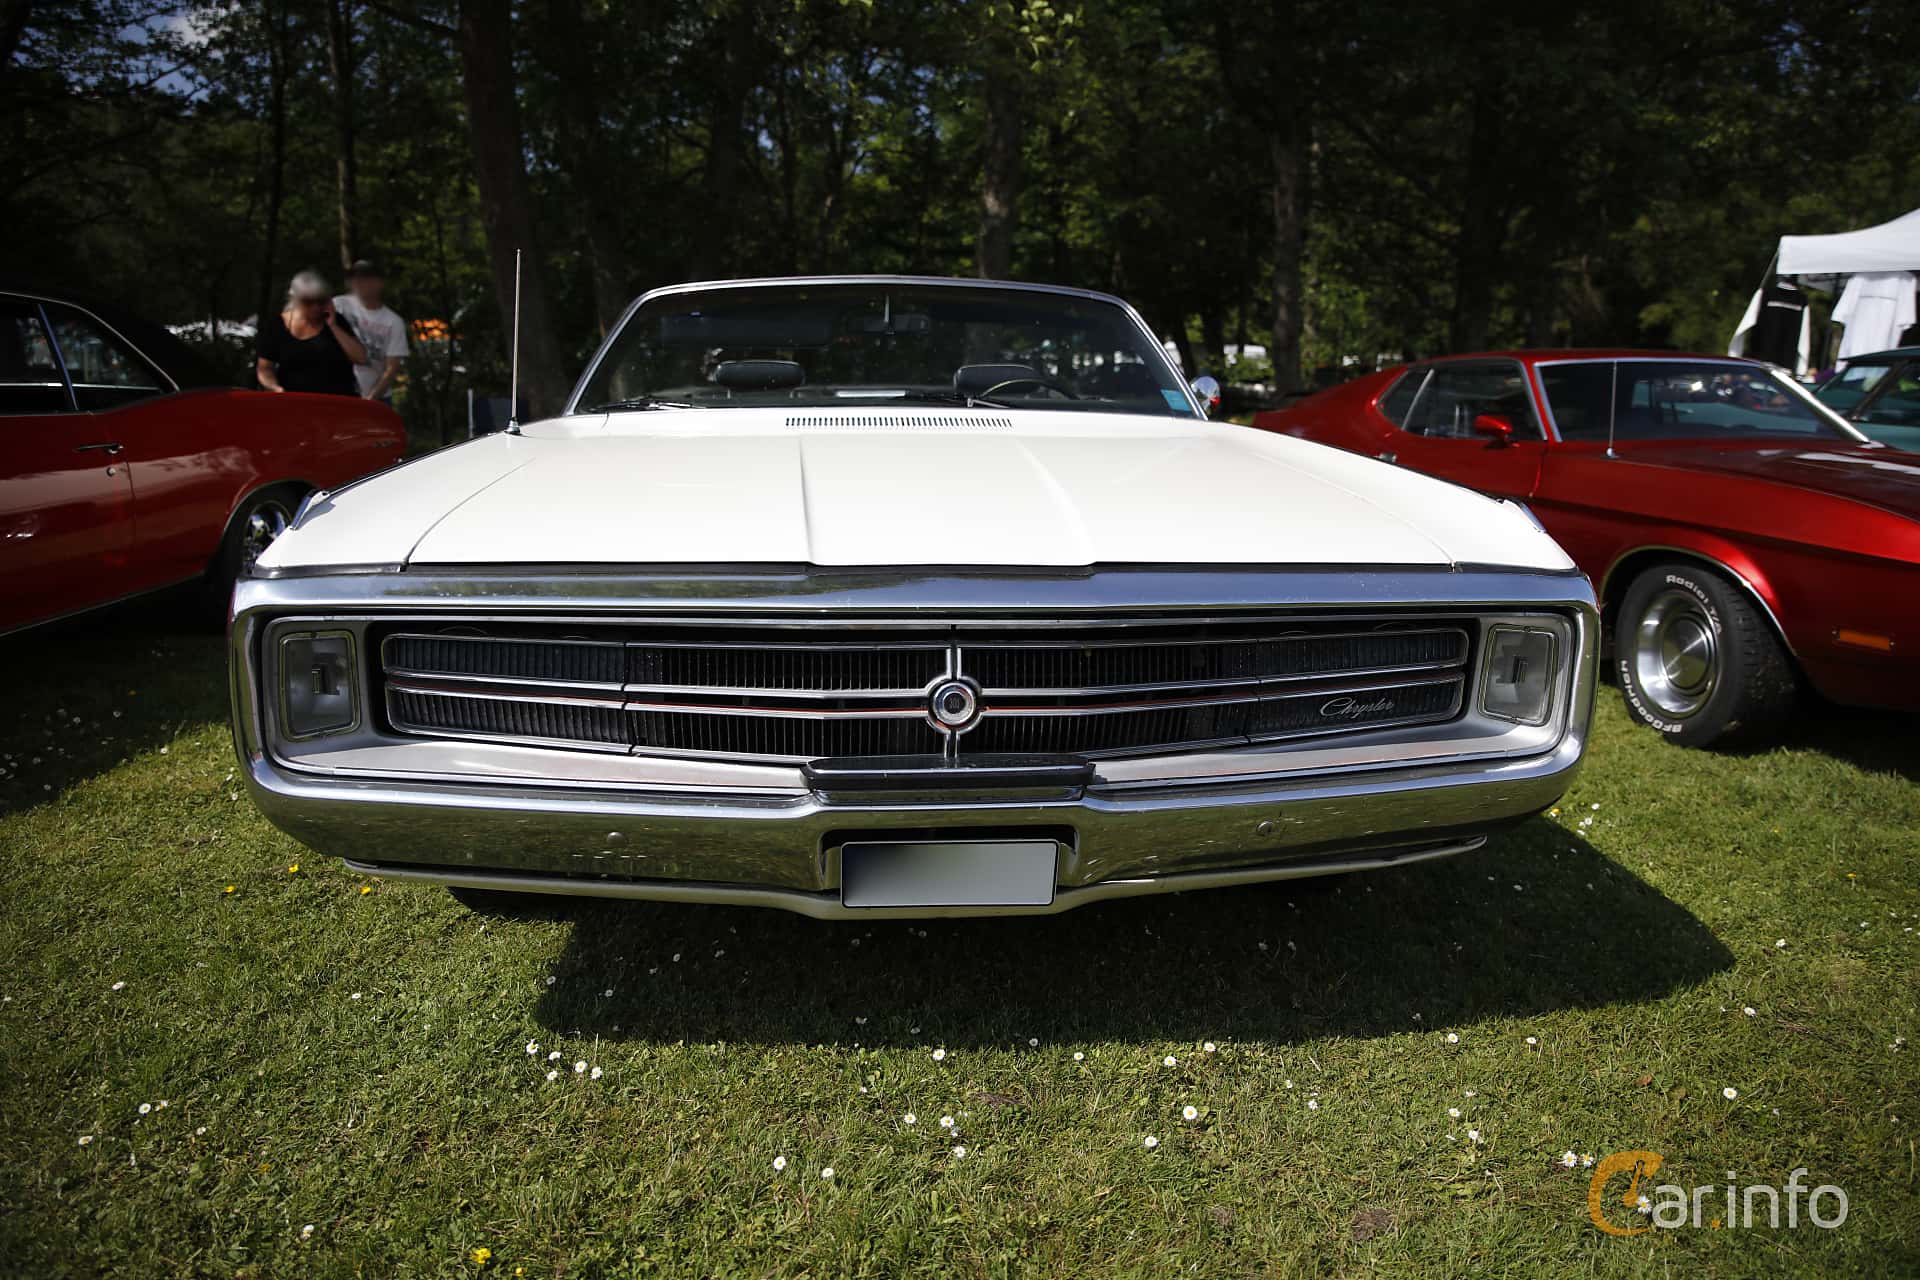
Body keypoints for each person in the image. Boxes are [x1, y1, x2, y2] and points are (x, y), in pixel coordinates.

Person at [255, 270, 366, 396]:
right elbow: (264, 368)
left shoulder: (336, 321)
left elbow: (361, 358)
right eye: (308, 302)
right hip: (296, 402)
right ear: (295, 300)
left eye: (321, 301)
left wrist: (333, 326)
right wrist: (275, 388)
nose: (316, 307)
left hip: (336, 402)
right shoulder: (278, 325)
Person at [333, 259, 411, 402]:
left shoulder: (393, 322)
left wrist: (371, 399)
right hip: (339, 395)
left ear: (379, 283)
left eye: (365, 278)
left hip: (376, 398)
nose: (359, 282)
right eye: (355, 278)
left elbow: (391, 368)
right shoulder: (338, 305)